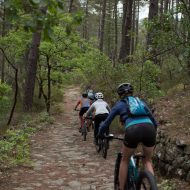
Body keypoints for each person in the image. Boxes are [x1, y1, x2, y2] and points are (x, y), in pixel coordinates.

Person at [98, 83, 157, 190]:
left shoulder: (119, 104)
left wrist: (101, 134)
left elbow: (106, 123)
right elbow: (154, 122)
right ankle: (153, 187)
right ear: (132, 93)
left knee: (124, 160)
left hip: (132, 130)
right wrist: (153, 135)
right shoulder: (141, 102)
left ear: (120, 95)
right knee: (147, 160)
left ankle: (121, 188)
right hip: (149, 128)